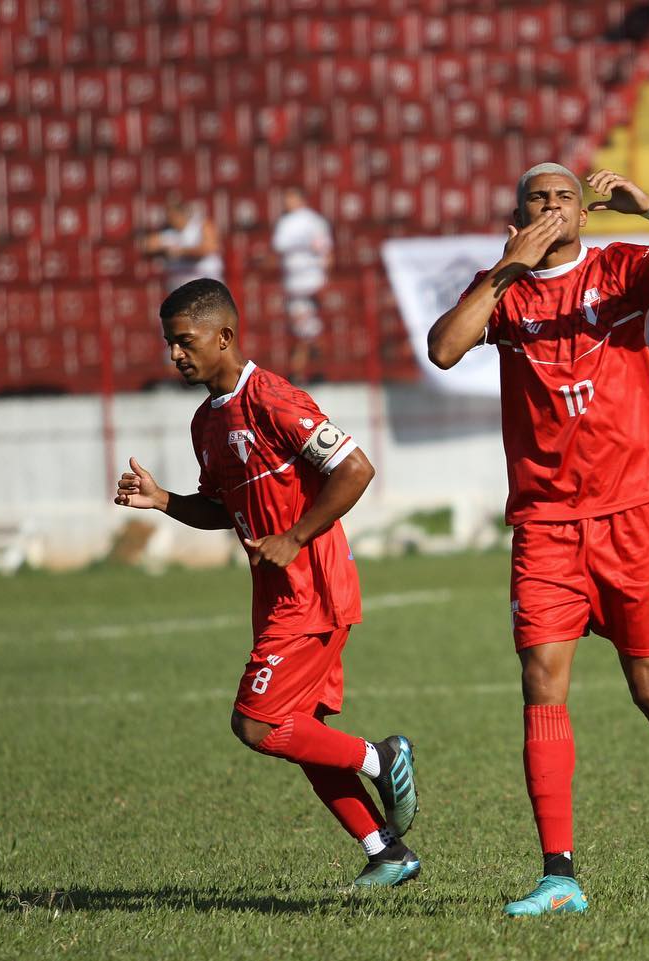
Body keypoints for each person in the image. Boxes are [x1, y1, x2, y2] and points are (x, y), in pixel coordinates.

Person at [426, 164, 649, 917]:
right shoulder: (501, 288)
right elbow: (443, 348)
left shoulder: (619, 270)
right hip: (545, 523)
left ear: (585, 214)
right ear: (516, 214)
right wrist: (507, 268)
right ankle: (559, 874)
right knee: (541, 682)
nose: (555, 206)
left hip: (632, 513)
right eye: (539, 198)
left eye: (566, 196)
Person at [113, 278, 421, 888]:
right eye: (169, 344)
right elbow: (219, 507)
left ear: (224, 336)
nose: (175, 355)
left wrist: (298, 534)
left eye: (184, 342)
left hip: (314, 592)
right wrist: (165, 500)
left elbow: (356, 468)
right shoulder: (206, 423)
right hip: (278, 597)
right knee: (299, 732)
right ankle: (385, 851)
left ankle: (380, 758)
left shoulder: (275, 399)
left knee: (256, 724)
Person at [271, 186, 334, 384]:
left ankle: (304, 371)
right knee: (306, 329)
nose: (286, 202)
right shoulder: (284, 222)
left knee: (307, 328)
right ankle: (315, 370)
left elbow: (326, 251)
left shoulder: (314, 221)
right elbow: (278, 247)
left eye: (289, 197)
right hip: (293, 283)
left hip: (312, 282)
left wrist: (325, 281)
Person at [143, 195, 224, 291]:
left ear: (181, 213)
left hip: (204, 279)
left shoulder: (200, 225)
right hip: (178, 282)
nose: (169, 218)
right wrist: (164, 249)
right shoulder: (168, 231)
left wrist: (182, 252)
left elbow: (209, 248)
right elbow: (148, 245)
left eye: (172, 215)